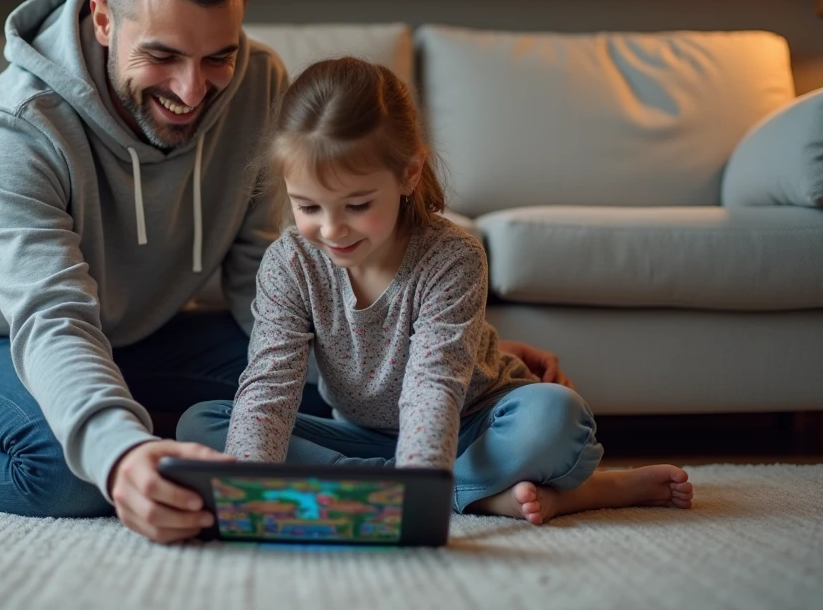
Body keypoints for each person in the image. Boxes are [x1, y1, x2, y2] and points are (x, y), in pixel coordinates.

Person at [0, 0, 572, 543]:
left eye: (218, 58)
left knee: (337, 401)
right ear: (104, 19)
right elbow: (49, 318)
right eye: (164, 56)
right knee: (70, 475)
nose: (192, 90)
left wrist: (459, 342)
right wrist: (117, 457)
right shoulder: (17, 126)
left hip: (141, 335)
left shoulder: (260, 83)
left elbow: (267, 283)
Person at [178, 57, 694, 525]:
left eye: (356, 205)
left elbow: (433, 389)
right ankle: (479, 494)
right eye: (308, 207)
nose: (332, 229)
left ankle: (403, 490)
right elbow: (270, 388)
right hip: (360, 434)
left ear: (408, 174)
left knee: (556, 417)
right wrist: (245, 491)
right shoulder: (288, 263)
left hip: (472, 423)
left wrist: (415, 496)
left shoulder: (452, 256)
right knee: (201, 425)